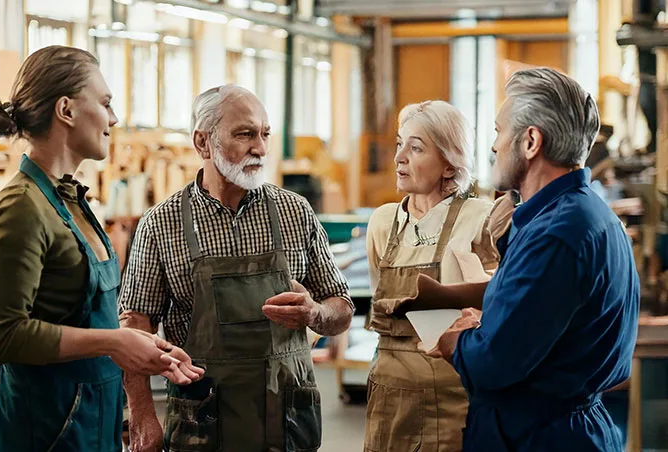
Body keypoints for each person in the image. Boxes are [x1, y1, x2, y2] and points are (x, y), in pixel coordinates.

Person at [0, 45, 203, 452]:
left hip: (91, 419)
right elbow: (0, 336)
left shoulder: (70, 200)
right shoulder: (22, 207)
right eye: (106, 103)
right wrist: (113, 342)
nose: (114, 118)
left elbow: (81, 314)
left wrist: (142, 346)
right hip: (44, 428)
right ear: (67, 110)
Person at [119, 84, 354, 452]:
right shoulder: (161, 224)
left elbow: (341, 307)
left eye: (264, 134)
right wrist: (142, 413)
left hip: (287, 421)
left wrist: (315, 313)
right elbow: (135, 325)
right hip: (203, 424)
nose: (259, 147)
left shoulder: (294, 212)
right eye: (244, 134)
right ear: (203, 143)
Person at [426, 68, 640, 451]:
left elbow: (494, 363)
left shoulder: (556, 234)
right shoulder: (587, 213)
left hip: (539, 437)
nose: (493, 146)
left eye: (498, 132)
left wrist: (456, 340)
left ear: (530, 141)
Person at [363, 100, 511, 452]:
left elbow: (498, 308)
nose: (400, 157)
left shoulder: (481, 218)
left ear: (449, 164)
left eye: (416, 148)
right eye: (400, 144)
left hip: (452, 396)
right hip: (389, 394)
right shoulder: (383, 223)